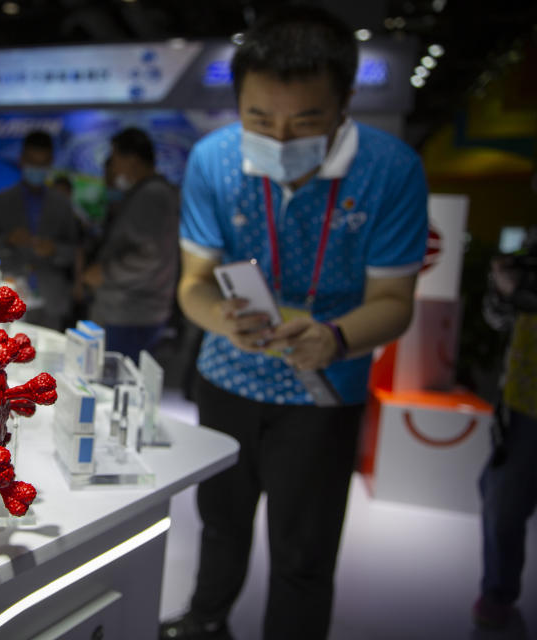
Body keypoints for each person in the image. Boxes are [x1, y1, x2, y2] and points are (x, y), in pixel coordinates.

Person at [162, 6, 428, 640]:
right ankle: (205, 621)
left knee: (304, 550)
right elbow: (193, 286)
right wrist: (223, 323)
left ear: (344, 103)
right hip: (227, 377)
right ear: (239, 105)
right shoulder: (213, 161)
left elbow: (395, 299)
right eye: (260, 119)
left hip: (326, 387)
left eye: (305, 120)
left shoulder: (391, 170)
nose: (280, 140)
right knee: (221, 522)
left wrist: (333, 337)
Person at [474, 226, 537, 629]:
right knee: (502, 501)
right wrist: (503, 288)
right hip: (522, 399)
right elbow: (497, 319)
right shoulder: (531, 247)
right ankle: (497, 598)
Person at [82, 127, 180, 362]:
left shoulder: (152, 195)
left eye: (115, 159)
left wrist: (104, 273)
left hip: (132, 313)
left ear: (132, 160)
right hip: (131, 311)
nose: (113, 168)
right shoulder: (146, 193)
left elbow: (150, 255)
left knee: (116, 386)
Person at [0, 130, 80, 330]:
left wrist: (54, 250)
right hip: (9, 295)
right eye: (32, 161)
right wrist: (8, 240)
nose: (37, 168)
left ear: (51, 162)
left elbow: (72, 252)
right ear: (22, 159)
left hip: (51, 300)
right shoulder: (0, 201)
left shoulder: (62, 204)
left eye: (42, 163)